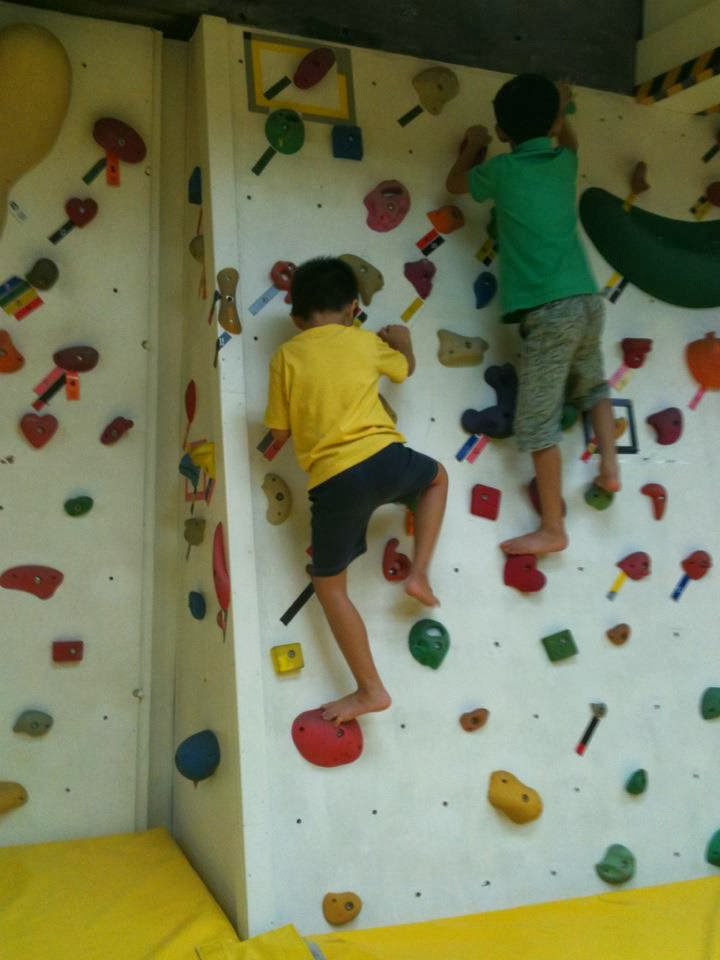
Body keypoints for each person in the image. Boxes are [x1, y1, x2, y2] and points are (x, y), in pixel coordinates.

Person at [264, 257, 448, 723]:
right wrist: (404, 342)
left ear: (296, 319)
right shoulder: (365, 342)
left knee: (330, 587)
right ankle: (420, 572)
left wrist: (269, 444)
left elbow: (279, 431)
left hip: (334, 481)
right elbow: (404, 370)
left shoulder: (286, 355)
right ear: (351, 309)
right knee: (436, 478)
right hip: (385, 458)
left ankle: (370, 690)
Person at [445, 73, 619, 555]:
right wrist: (562, 106)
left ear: (502, 133)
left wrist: (473, 146)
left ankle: (553, 528)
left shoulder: (501, 170)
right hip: (587, 299)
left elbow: (455, 184)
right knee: (594, 385)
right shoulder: (565, 160)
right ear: (554, 123)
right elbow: (568, 136)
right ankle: (610, 468)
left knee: (538, 424)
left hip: (550, 311)